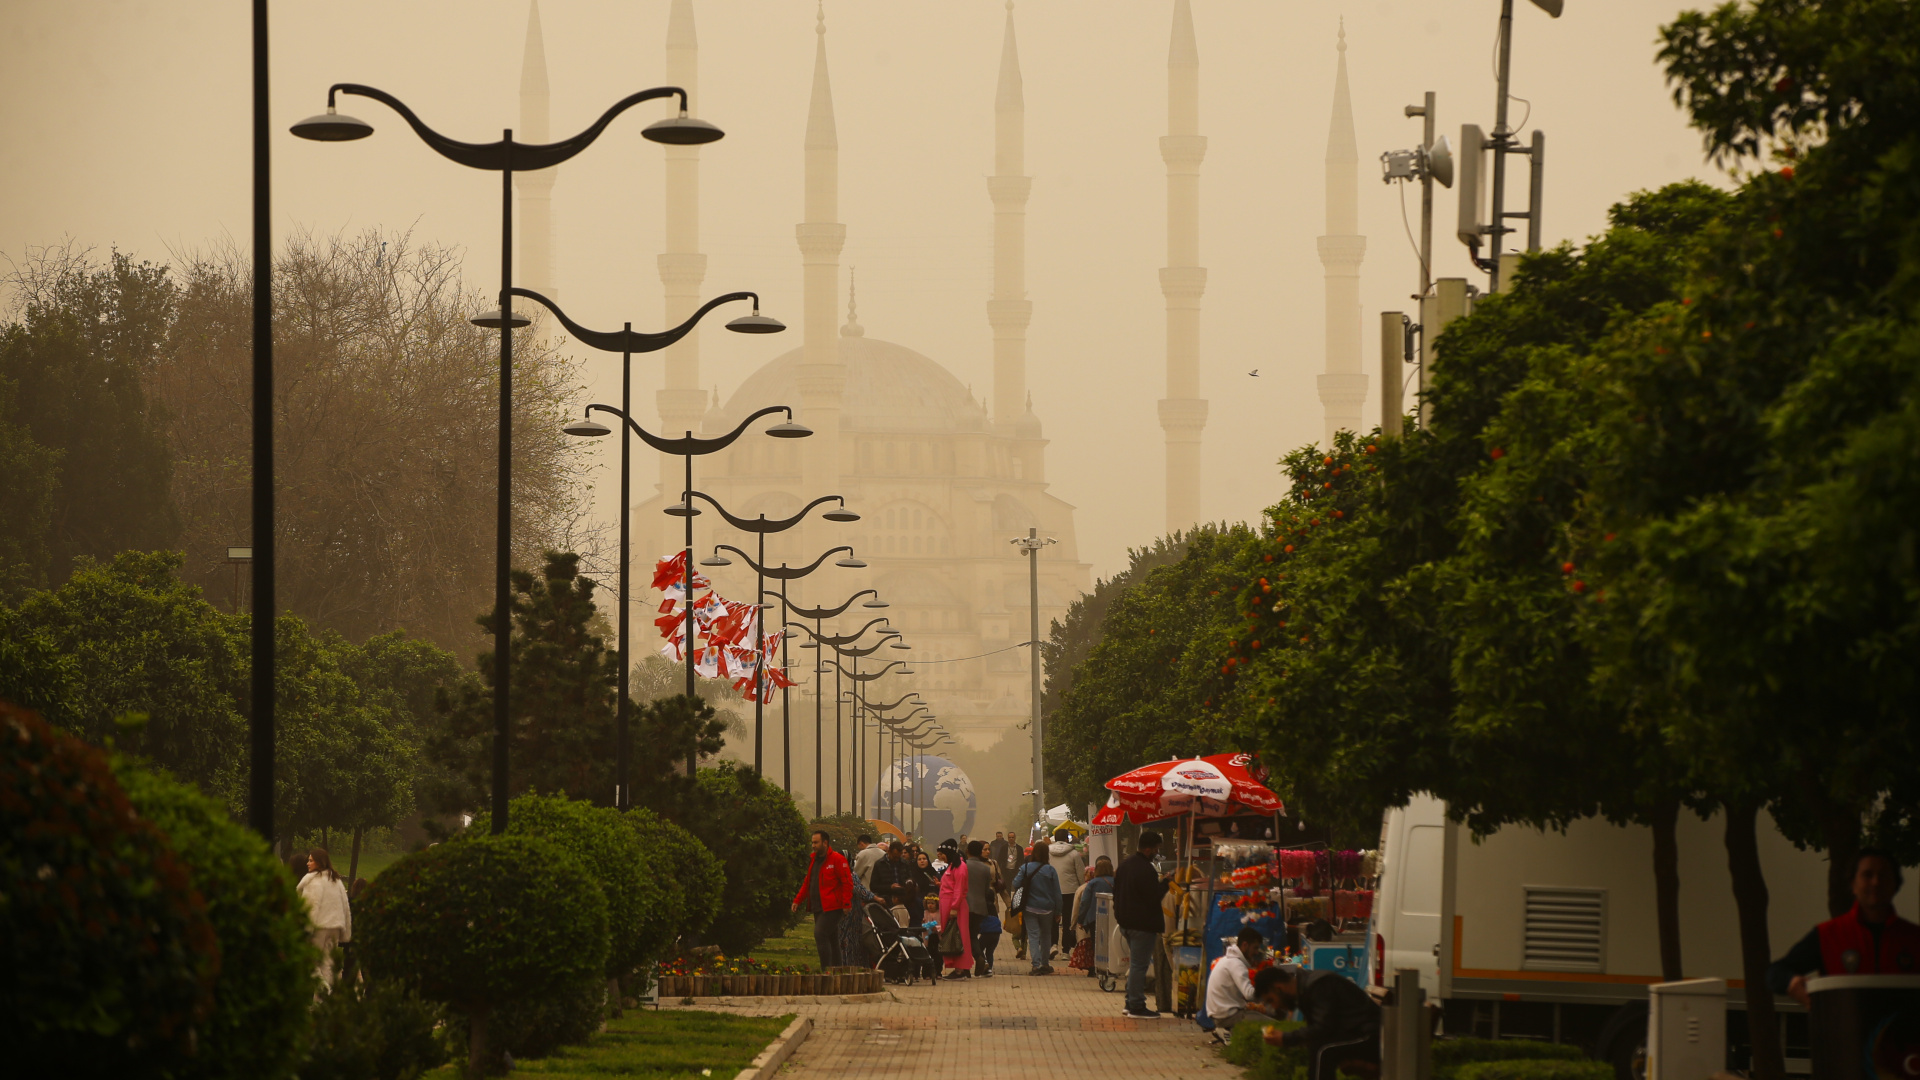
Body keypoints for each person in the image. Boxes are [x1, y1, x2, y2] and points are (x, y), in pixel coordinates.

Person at [1768, 848, 1920, 1005]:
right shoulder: (1827, 935)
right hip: (1843, 1028)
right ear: (1853, 884)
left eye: (1883, 875)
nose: (1876, 882)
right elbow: (1775, 972)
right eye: (1868, 875)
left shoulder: (1914, 938)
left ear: (1895, 884)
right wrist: (1791, 983)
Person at [1255, 964, 1382, 1080]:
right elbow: (1320, 1031)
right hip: (1358, 1032)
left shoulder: (1318, 985)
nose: (1275, 1007)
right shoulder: (1307, 988)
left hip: (1370, 1035)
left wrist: (1286, 1038)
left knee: (1323, 1050)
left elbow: (1323, 1028)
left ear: (1279, 988)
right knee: (1319, 1047)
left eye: (1271, 1000)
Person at [1115, 830, 1166, 1017]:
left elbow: (1116, 892)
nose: (1156, 852)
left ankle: (1131, 1002)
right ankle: (1136, 1005)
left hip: (1126, 923)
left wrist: (1119, 915)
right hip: (1142, 924)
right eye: (1156, 849)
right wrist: (1166, 883)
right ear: (1148, 849)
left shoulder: (1125, 865)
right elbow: (1153, 897)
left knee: (1136, 964)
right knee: (1139, 965)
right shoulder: (1145, 869)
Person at [791, 829, 854, 969]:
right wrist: (797, 900)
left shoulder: (837, 859)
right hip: (819, 906)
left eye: (816, 842)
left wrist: (846, 903)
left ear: (825, 843)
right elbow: (808, 882)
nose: (813, 845)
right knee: (832, 938)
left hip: (833, 906)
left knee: (820, 934)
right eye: (812, 842)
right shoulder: (814, 860)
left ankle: (825, 970)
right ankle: (837, 970)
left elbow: (847, 882)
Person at [297, 848, 353, 986]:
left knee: (311, 963)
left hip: (319, 926)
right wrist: (346, 932)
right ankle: (321, 1003)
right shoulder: (336, 881)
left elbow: (311, 906)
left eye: (311, 860)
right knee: (328, 965)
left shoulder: (313, 881)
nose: (307, 864)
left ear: (319, 862)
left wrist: (306, 929)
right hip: (336, 926)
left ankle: (325, 991)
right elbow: (345, 906)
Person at [1207, 928, 1273, 1031]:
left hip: (1220, 1013)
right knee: (1276, 1026)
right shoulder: (1236, 964)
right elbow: (1250, 994)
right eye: (1255, 948)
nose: (1256, 952)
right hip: (1227, 1017)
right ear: (1245, 945)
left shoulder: (1228, 960)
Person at [1011, 842, 1061, 975]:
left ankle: (1035, 965)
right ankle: (1045, 964)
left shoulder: (1025, 868)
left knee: (1033, 936)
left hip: (1030, 907)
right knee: (1046, 936)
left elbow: (1015, 883)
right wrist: (1058, 911)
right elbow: (1057, 892)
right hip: (1048, 908)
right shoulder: (1051, 870)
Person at [936, 841, 974, 978]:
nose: (941, 857)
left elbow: (959, 889)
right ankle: (957, 966)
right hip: (948, 904)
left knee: (958, 935)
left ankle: (961, 968)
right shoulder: (952, 866)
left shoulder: (961, 867)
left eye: (942, 854)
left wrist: (954, 907)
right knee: (950, 936)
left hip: (954, 906)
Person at [1075, 856, 1116, 978]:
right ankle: (1112, 967)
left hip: (1094, 917)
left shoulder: (1093, 883)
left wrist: (1081, 920)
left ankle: (1096, 967)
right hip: (1113, 917)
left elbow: (1085, 902)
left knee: (1096, 943)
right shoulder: (1116, 881)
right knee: (1111, 942)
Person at [1049, 828, 1087, 952]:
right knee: (1067, 921)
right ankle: (1066, 950)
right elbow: (1081, 873)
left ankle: (1053, 945)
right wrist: (1082, 888)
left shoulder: (1047, 852)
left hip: (1052, 891)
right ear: (1067, 839)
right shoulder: (1074, 854)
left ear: (1054, 839)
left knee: (1053, 919)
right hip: (1070, 891)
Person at [965, 840, 997, 977]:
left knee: (965, 936)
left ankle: (968, 965)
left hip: (965, 907)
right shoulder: (985, 869)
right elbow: (986, 891)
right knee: (972, 935)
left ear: (968, 851)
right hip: (980, 908)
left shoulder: (963, 866)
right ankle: (980, 958)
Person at [869, 840, 922, 915]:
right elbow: (873, 886)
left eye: (899, 857)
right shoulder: (879, 864)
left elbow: (910, 878)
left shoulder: (904, 863)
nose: (897, 859)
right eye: (895, 857)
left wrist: (909, 882)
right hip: (886, 901)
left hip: (904, 901)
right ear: (889, 852)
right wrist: (890, 887)